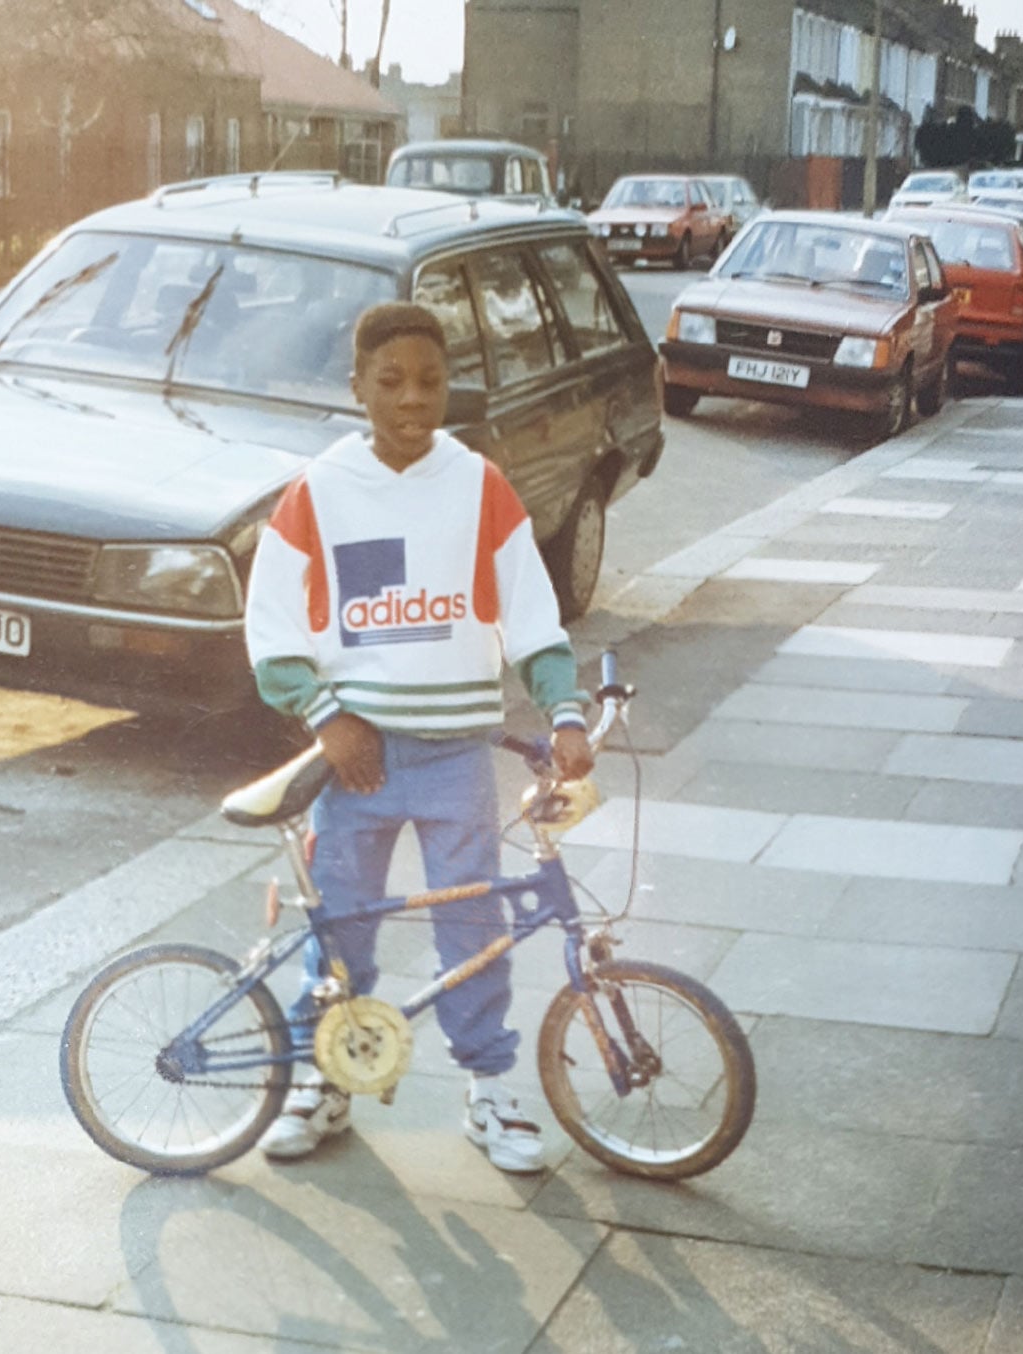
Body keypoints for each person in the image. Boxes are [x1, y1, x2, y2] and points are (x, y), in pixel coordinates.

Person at [244, 301, 594, 1173]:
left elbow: (535, 623)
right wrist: (328, 718)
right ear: (357, 386)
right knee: (339, 928)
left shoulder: (481, 488)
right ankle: (320, 1082)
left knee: (474, 926)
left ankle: (487, 1089)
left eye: (431, 382)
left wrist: (565, 710)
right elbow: (273, 635)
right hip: (352, 763)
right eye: (391, 381)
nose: (412, 399)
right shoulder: (318, 493)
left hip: (453, 760)